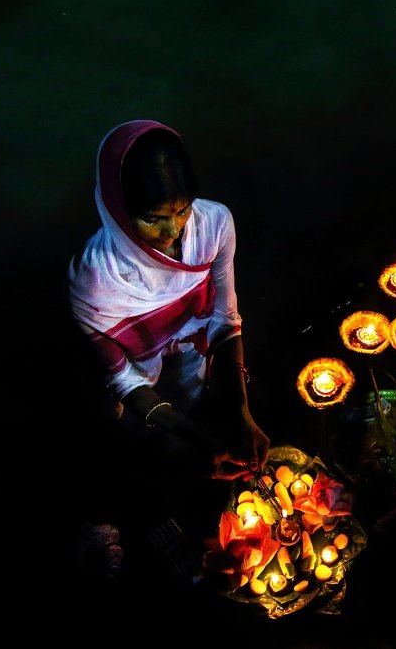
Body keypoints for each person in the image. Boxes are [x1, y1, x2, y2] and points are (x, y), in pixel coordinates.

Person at [68, 119, 271, 579]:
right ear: (117, 209)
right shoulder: (94, 279)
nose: (173, 231)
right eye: (152, 218)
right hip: (135, 378)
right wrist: (197, 438)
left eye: (181, 210)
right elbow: (124, 380)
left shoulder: (214, 223)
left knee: (187, 434)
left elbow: (225, 319)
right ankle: (105, 522)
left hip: (191, 354)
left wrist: (240, 413)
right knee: (124, 447)